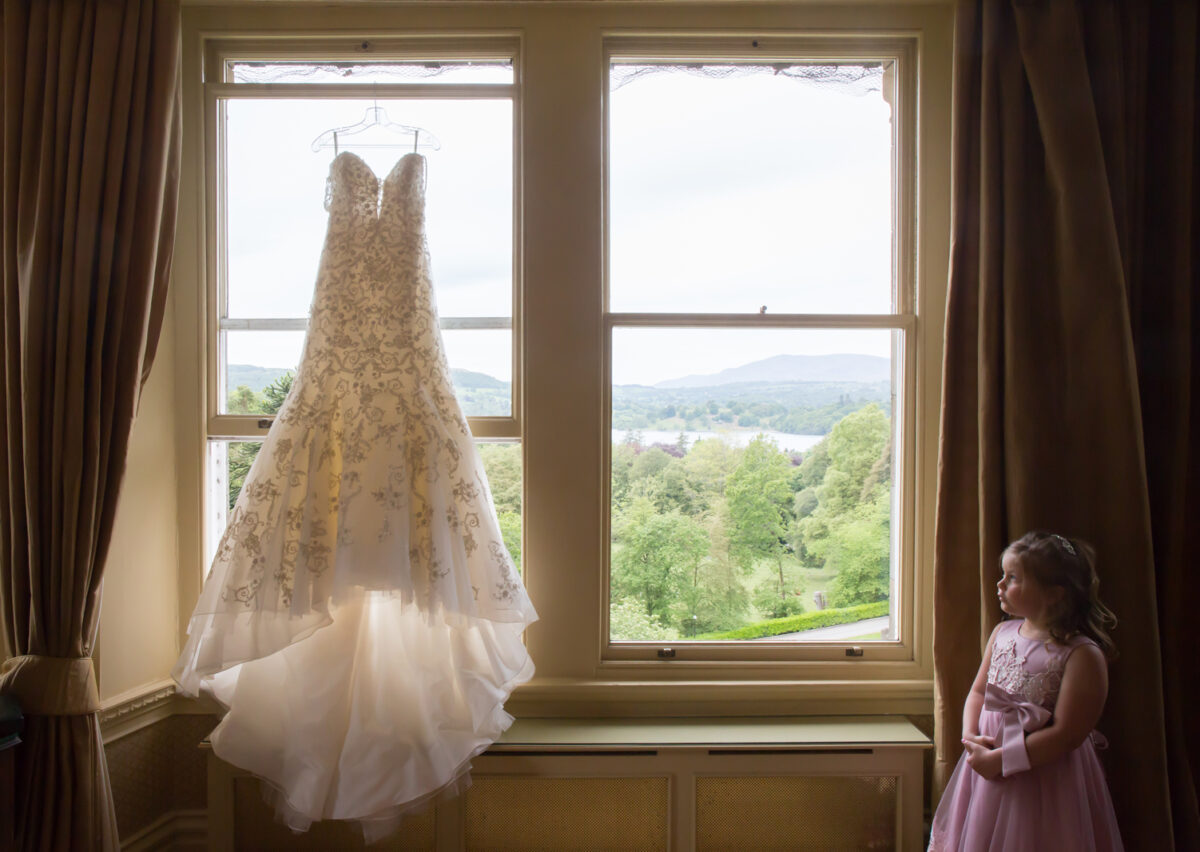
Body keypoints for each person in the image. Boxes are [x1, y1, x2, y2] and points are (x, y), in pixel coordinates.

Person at [929, 531, 1123, 851]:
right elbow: (978, 693)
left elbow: (1066, 735)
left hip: (1043, 779)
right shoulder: (1002, 633)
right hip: (987, 765)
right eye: (1003, 575)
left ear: (1054, 594)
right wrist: (971, 738)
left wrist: (1002, 760)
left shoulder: (1081, 654)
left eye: (1013, 578)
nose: (999, 584)